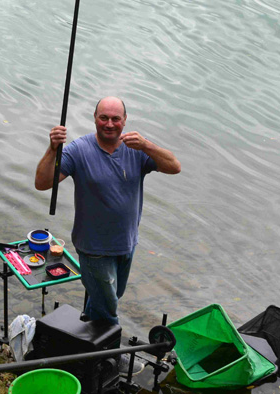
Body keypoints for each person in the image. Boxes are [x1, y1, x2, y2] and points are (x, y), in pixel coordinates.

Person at [35, 96, 180, 374]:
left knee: (110, 296)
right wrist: (52, 148)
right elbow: (42, 183)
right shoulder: (78, 150)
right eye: (104, 118)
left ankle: (87, 338)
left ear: (125, 121)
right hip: (93, 248)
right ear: (94, 118)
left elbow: (174, 166)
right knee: (109, 308)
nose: (110, 124)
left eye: (116, 118)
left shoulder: (136, 149)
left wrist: (148, 145)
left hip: (126, 244)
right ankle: (111, 358)